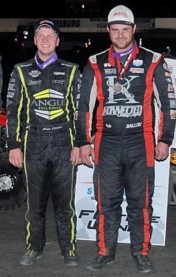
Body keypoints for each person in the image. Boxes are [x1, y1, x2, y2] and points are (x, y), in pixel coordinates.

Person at [75, 5, 176, 273]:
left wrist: (165, 139)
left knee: (140, 203)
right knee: (105, 202)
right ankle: (105, 252)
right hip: (106, 143)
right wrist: (83, 141)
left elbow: (168, 103)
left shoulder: (154, 60)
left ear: (134, 29)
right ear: (108, 30)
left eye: (125, 29)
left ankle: (140, 253)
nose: (120, 35)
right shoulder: (95, 62)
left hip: (140, 144)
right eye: (115, 30)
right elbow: (83, 105)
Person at [6, 19, 82, 267]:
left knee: (65, 203)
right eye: (41, 35)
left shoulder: (71, 70)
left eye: (51, 35)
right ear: (35, 40)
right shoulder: (20, 70)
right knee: (34, 203)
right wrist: (14, 145)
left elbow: (79, 112)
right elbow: (13, 110)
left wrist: (80, 144)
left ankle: (68, 248)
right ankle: (33, 247)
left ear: (58, 41)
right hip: (33, 141)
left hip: (63, 141)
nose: (46, 39)